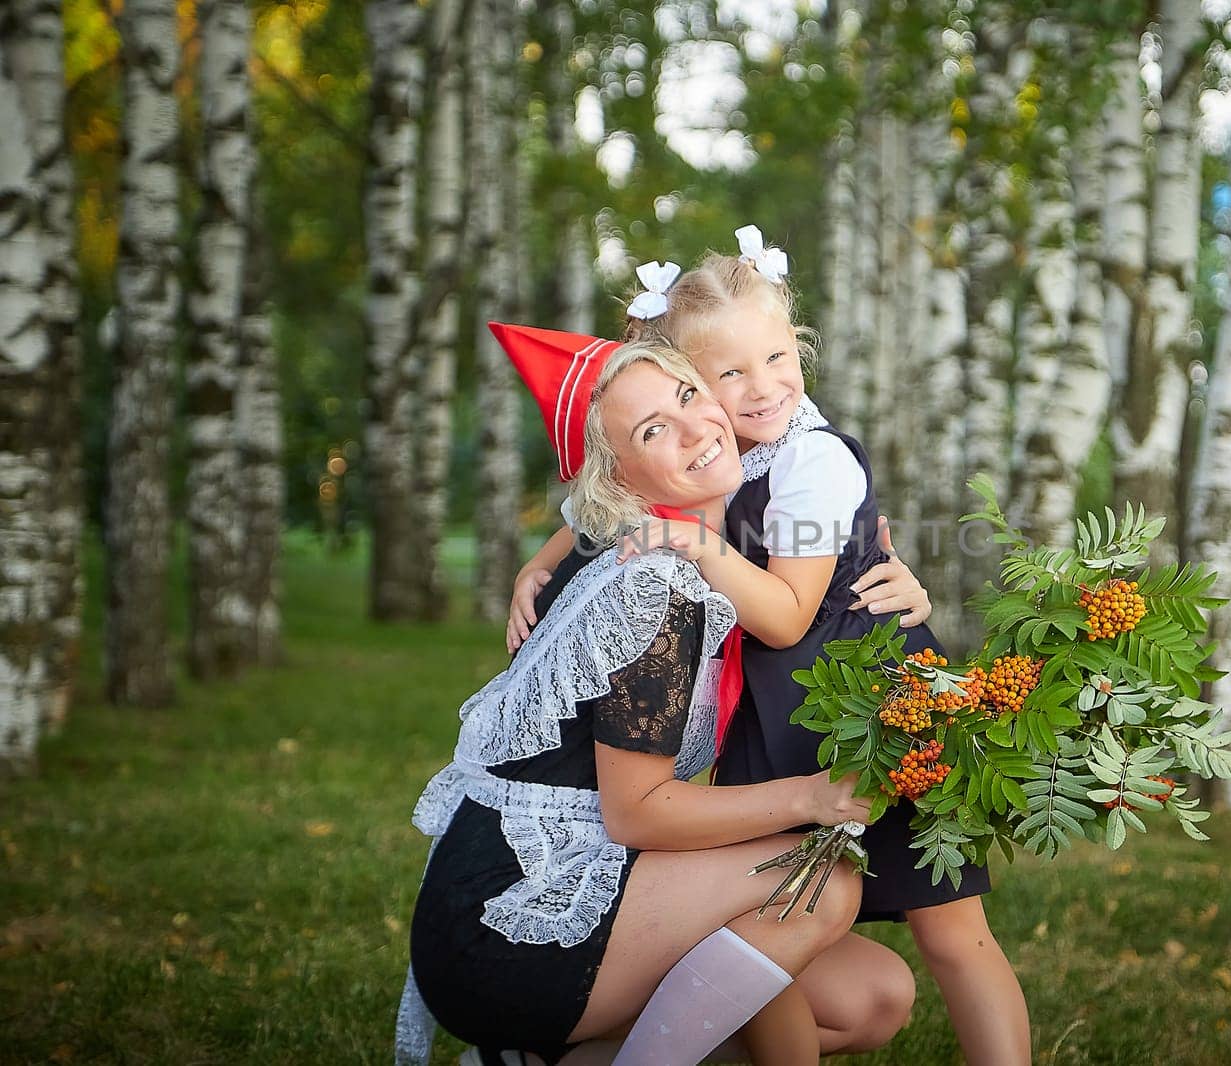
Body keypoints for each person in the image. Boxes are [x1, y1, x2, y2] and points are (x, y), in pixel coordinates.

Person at [505, 227, 1032, 1064]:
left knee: (951, 925)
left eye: (779, 358)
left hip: (876, 689)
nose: (763, 389)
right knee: (774, 920)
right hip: (776, 714)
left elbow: (787, 616)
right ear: (686, 384)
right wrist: (534, 570)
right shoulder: (702, 441)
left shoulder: (813, 459)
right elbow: (594, 511)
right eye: (729, 374)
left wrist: (694, 545)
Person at [397, 339, 912, 1066]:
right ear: (619, 481)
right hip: (512, 924)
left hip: (593, 874)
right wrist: (810, 799)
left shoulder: (707, 546)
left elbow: (826, 552)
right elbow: (636, 811)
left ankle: (542, 1061)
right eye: (651, 431)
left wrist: (902, 579)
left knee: (874, 993)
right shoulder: (653, 588)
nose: (696, 428)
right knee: (819, 882)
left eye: (688, 396)